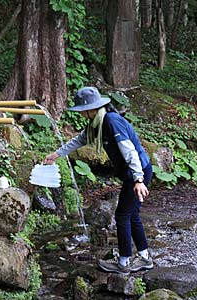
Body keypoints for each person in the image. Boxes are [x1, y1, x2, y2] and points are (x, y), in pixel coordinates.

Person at [44, 86, 153, 275]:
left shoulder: (111, 121)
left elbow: (130, 152)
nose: (81, 114)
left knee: (122, 216)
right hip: (134, 174)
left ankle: (124, 262)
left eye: (82, 110)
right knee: (132, 215)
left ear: (90, 109)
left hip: (138, 171)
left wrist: (138, 179)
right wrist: (56, 154)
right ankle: (144, 257)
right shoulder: (97, 122)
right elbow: (79, 140)